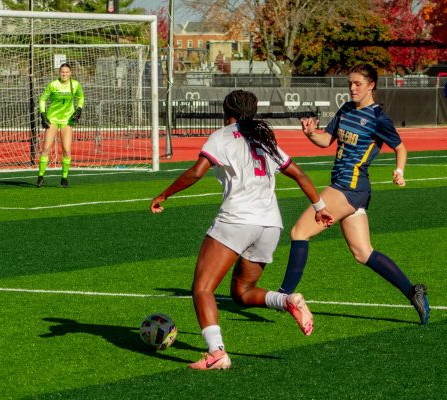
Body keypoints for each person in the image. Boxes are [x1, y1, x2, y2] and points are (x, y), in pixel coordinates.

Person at [150, 90, 334, 370]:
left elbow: (196, 172)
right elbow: (298, 173)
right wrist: (320, 207)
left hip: (237, 220)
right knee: (242, 292)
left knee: (202, 288)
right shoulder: (264, 138)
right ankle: (287, 300)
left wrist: (164, 194)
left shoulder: (222, 136)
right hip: (270, 224)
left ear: (226, 113)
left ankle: (217, 353)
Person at [277, 64, 430, 325]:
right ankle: (413, 290)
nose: (352, 88)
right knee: (363, 252)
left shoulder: (378, 116)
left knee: (299, 233)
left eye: (358, 83)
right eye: (350, 83)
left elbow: (400, 148)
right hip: (347, 188)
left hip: (349, 187)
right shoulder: (346, 109)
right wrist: (311, 133)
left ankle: (283, 297)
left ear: (371, 85)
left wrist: (399, 171)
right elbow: (327, 140)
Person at [36, 63, 84, 188]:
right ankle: (40, 176)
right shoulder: (53, 85)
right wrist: (43, 114)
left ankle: (64, 178)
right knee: (46, 148)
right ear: (59, 72)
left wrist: (79, 109)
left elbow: (81, 97)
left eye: (67, 72)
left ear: (71, 73)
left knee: (67, 150)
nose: (65, 74)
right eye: (62, 72)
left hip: (67, 120)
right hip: (52, 119)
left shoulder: (75, 84)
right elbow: (42, 99)